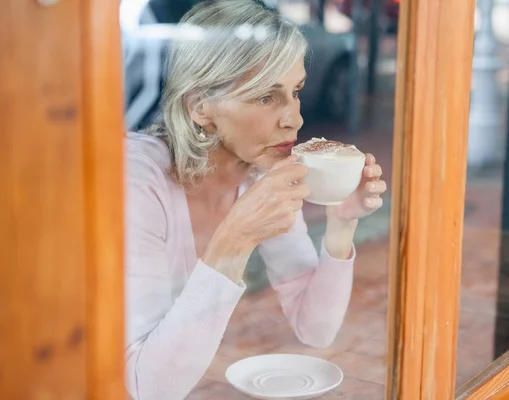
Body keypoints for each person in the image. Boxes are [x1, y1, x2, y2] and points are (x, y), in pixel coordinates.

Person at [125, 0, 387, 399]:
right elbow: (145, 387)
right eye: (266, 97)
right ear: (200, 107)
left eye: (295, 91)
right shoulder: (137, 186)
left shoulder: (258, 171)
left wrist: (342, 223)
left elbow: (314, 328)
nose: (295, 119)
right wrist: (236, 239)